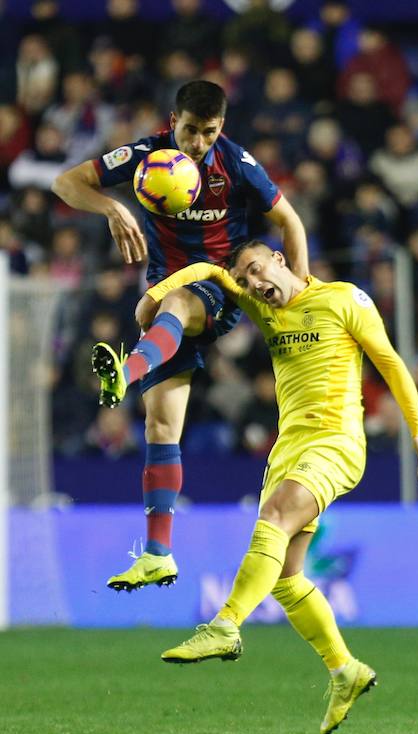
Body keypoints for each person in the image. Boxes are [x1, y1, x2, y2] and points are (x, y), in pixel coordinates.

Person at [92, 240, 418, 734]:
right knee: (287, 576)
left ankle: (225, 625)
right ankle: (345, 669)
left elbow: (392, 363)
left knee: (273, 516)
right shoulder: (258, 302)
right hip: (287, 450)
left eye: (257, 270)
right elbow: (208, 270)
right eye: (246, 281)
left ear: (279, 257)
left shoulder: (344, 299)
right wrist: (160, 292)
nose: (255, 285)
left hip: (335, 442)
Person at [52, 79, 308, 591]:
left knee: (178, 300)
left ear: (221, 128)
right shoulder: (146, 155)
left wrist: (300, 293)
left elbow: (289, 220)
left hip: (217, 288)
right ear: (173, 122)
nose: (197, 143)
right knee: (161, 429)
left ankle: (123, 373)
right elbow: (67, 182)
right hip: (165, 311)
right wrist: (112, 207)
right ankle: (158, 553)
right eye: (190, 131)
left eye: (208, 133)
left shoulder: (235, 163)